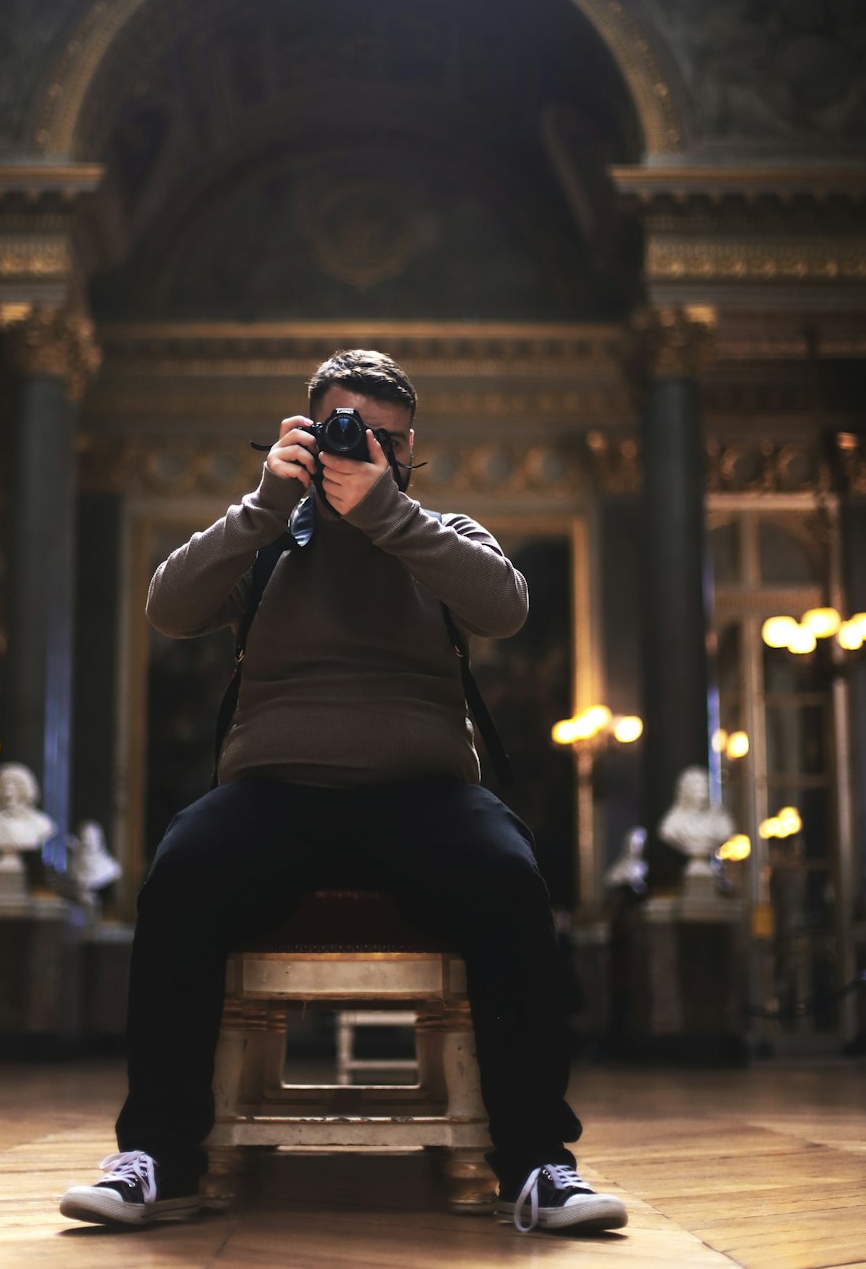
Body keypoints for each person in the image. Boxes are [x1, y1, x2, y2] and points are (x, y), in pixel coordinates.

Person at [60, 349, 626, 1236]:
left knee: (511, 878)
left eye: (384, 438)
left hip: (426, 795)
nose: (362, 448)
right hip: (274, 793)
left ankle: (539, 1163)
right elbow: (169, 607)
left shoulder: (444, 532)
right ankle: (157, 1159)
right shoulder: (270, 535)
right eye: (341, 429)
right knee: (180, 874)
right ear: (304, 434)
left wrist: (389, 513)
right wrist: (262, 506)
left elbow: (505, 608)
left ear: (411, 447)